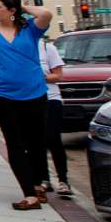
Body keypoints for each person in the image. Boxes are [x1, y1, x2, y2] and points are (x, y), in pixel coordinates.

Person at [0, 0, 53, 210]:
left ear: (12, 10)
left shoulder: (29, 28)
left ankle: (38, 185)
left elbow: (46, 14)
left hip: (34, 92)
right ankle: (29, 194)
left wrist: (24, 8)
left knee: (36, 142)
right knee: (15, 143)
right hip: (2, 94)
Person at [38, 40, 72, 198]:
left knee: (53, 138)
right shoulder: (17, 49)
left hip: (51, 98)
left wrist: (39, 77)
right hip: (30, 99)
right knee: (37, 140)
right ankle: (44, 179)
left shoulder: (47, 48)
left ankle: (63, 180)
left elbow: (58, 75)